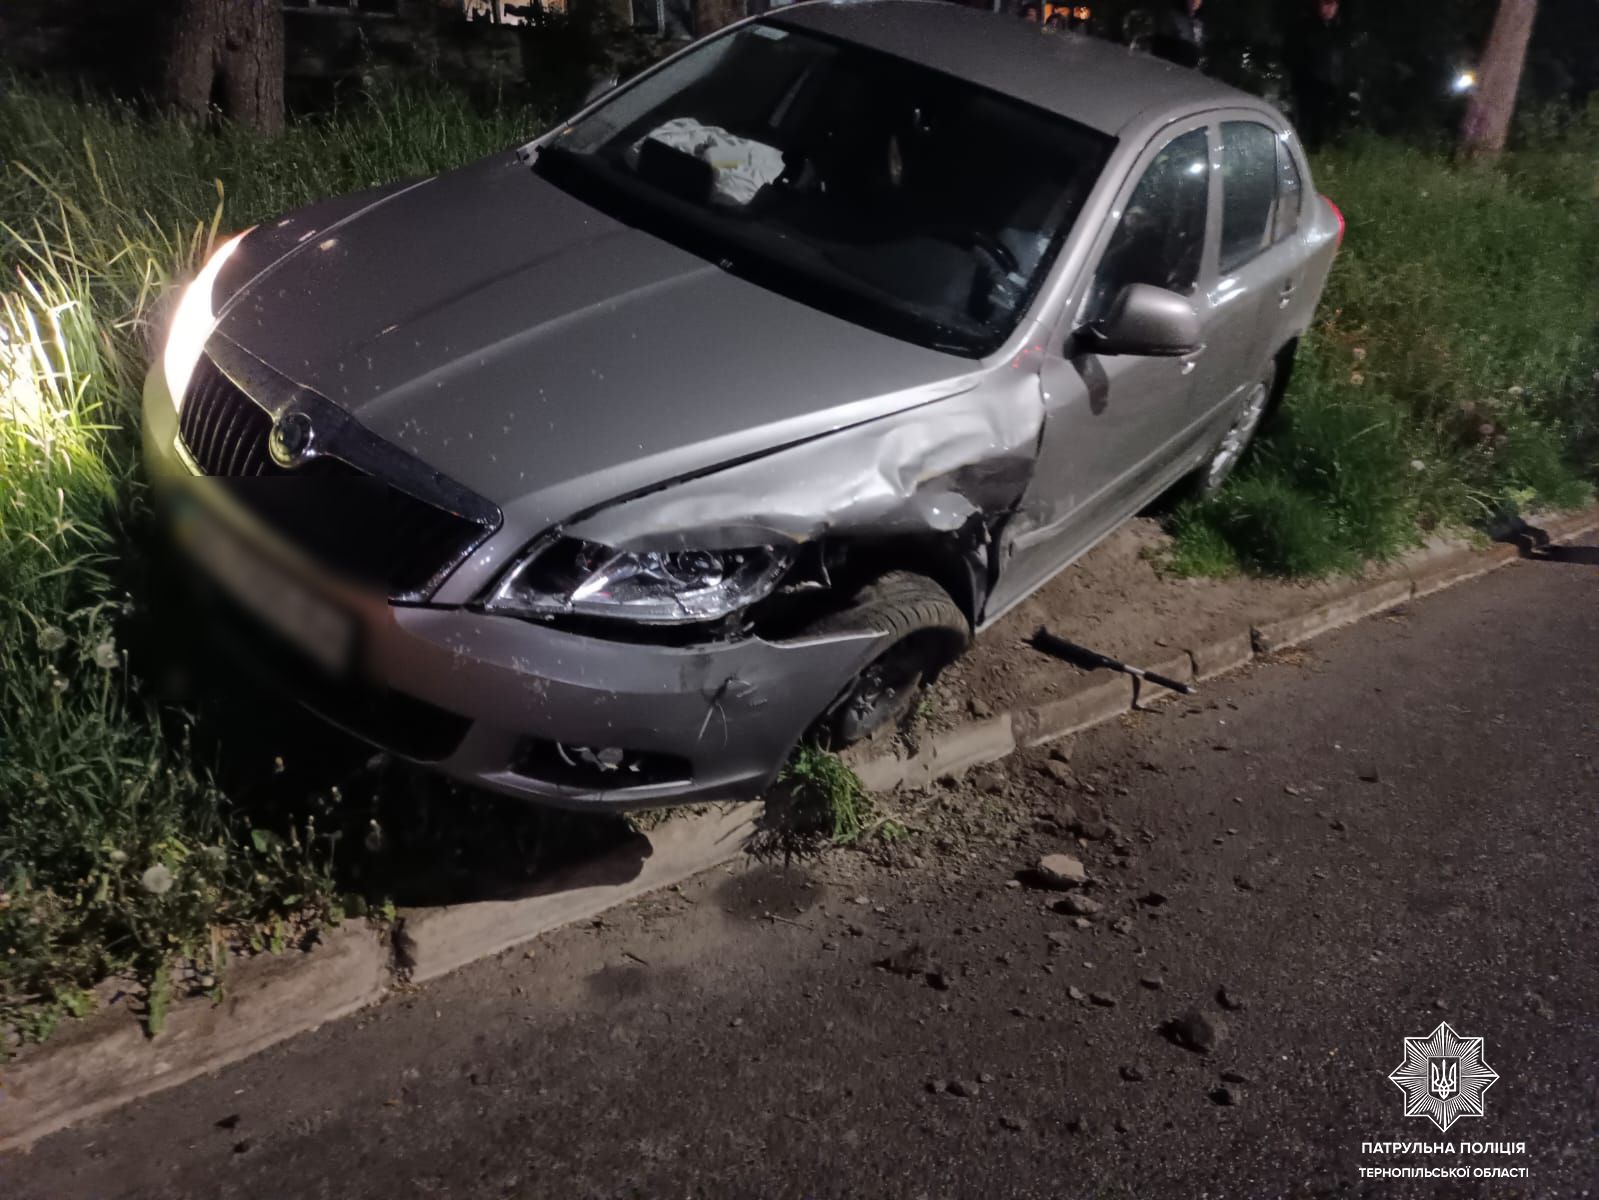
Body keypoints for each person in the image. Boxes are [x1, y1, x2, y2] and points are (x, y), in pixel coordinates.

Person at [1286, 0, 1353, 149]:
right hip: (1309, 84)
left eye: (1332, 5)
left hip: (1332, 84)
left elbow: (1342, 57)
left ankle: (1322, 146)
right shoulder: (1305, 27)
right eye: (1325, 4)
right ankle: (1305, 148)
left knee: (1324, 121)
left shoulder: (1339, 28)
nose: (1328, 9)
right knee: (1306, 119)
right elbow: (1294, 56)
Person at [1146, 0, 1205, 69]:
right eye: (1192, 1)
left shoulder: (1200, 23)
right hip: (1172, 60)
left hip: (1188, 64)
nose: (1195, 3)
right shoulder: (1174, 16)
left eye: (1198, 1)